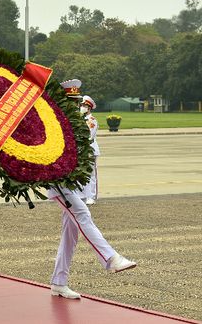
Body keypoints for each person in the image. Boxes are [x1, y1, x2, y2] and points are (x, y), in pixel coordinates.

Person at [49, 80, 136, 300]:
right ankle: (110, 258)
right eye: (72, 102)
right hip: (58, 180)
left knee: (71, 234)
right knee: (82, 214)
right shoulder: (54, 121)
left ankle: (59, 281)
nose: (76, 106)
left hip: (72, 180)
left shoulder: (74, 121)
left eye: (77, 102)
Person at [80, 95, 100, 205]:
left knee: (91, 174)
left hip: (90, 149)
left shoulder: (92, 120)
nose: (82, 107)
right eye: (81, 105)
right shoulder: (80, 119)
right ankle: (83, 195)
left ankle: (91, 196)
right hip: (81, 150)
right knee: (82, 173)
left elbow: (89, 136)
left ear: (89, 108)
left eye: (84, 106)